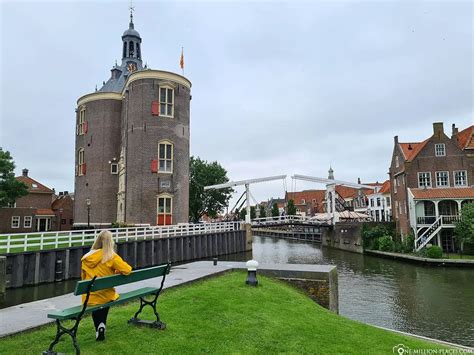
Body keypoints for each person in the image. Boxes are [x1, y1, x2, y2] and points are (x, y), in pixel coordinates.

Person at [81, 230, 132, 341]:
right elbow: (127, 270)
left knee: (97, 300)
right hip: (106, 294)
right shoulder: (111, 256)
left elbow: (83, 277)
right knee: (107, 296)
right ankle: (102, 325)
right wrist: (116, 271)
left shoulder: (86, 257)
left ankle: (98, 328)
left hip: (90, 296)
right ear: (110, 242)